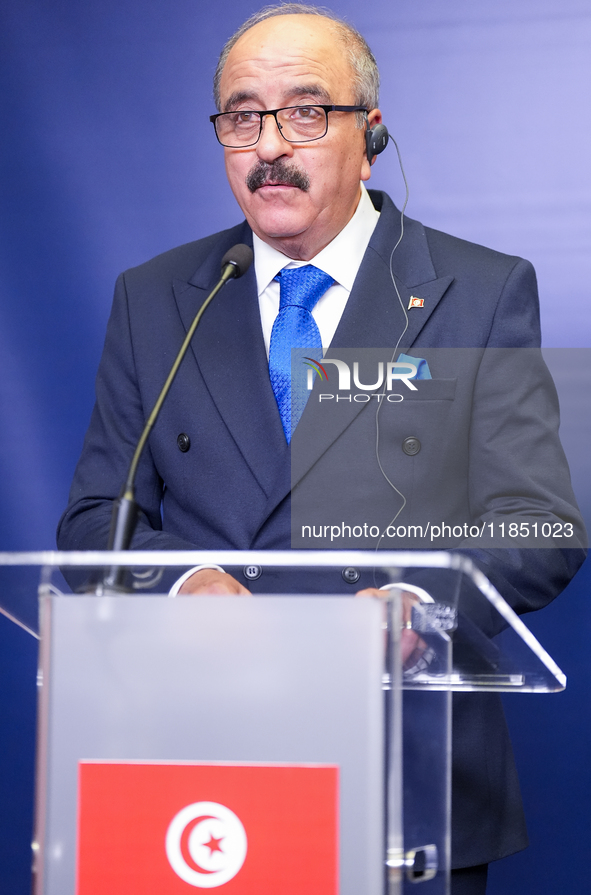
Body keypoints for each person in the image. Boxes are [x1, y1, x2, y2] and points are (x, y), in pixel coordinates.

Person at [57, 5, 586, 892]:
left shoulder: (479, 290)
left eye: (305, 111)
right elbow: (89, 524)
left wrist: (415, 604)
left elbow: (539, 527)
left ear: (369, 131)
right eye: (241, 114)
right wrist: (185, 582)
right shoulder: (156, 298)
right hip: (198, 781)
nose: (269, 144)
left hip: (404, 772)